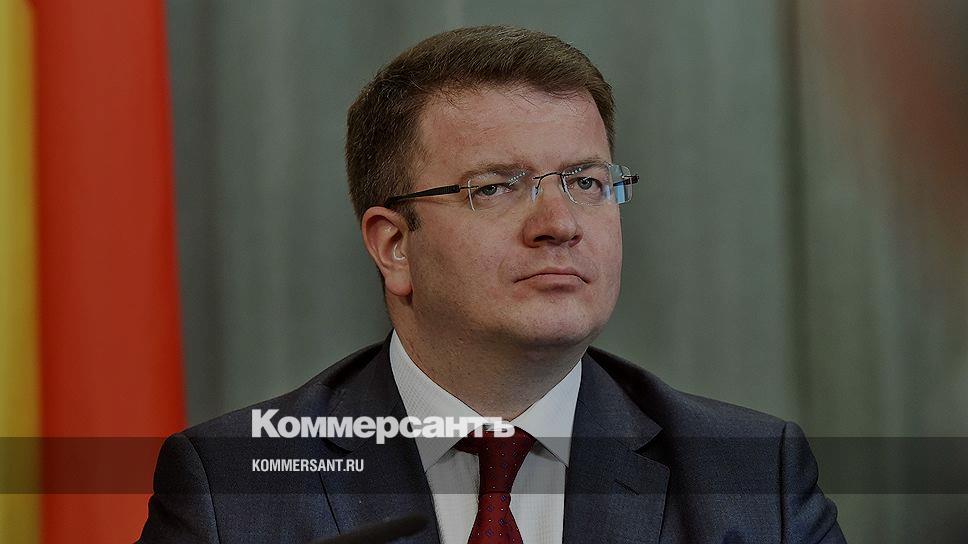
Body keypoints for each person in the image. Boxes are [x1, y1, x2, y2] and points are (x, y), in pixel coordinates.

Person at [139, 26, 846, 544]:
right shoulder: (233, 488)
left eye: (586, 182)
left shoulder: (752, 478)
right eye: (498, 187)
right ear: (394, 245)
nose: (560, 224)